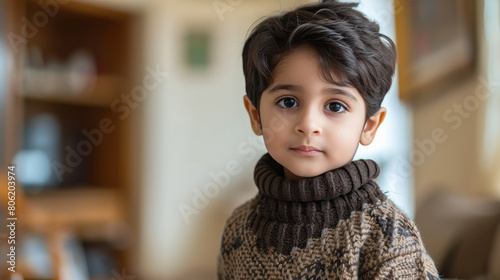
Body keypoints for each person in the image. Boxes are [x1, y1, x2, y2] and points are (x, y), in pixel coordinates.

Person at [217, 0, 440, 278]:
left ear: (369, 126)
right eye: (288, 102)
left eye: (335, 106)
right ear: (255, 116)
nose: (308, 125)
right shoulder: (238, 228)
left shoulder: (386, 236)